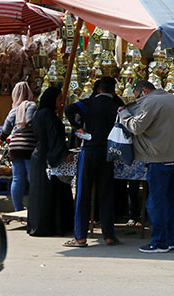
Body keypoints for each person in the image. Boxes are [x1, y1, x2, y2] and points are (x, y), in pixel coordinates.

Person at [118, 80, 174, 253]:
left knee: (156, 203)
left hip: (160, 160)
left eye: (136, 96)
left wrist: (123, 114)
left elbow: (137, 127)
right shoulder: (172, 99)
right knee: (172, 202)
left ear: (143, 91)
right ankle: (171, 240)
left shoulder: (150, 101)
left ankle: (159, 243)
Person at [64, 77, 119, 247]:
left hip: (89, 150)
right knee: (106, 193)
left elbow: (69, 108)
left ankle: (80, 236)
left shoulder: (88, 103)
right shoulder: (116, 105)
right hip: (108, 152)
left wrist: (77, 127)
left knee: (83, 193)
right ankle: (109, 235)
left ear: (99, 90)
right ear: (113, 91)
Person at [28, 87, 74, 237]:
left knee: (40, 193)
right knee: (49, 192)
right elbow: (54, 138)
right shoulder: (48, 115)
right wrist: (64, 154)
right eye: (60, 99)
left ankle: (39, 225)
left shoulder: (39, 114)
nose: (62, 103)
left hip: (39, 156)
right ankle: (49, 226)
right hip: (48, 157)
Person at [0, 81, 37, 212]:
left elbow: (5, 130)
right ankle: (34, 208)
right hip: (29, 146)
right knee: (32, 178)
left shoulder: (13, 110)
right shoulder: (32, 106)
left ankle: (18, 209)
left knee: (17, 179)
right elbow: (32, 123)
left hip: (15, 146)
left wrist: (2, 138)